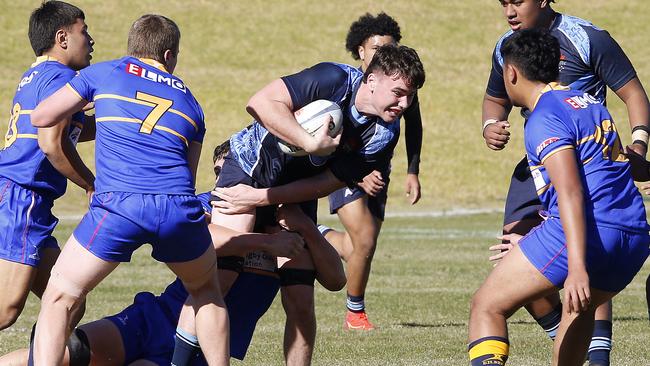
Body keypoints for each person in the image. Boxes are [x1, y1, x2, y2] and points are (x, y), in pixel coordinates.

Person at [28, 14, 229, 365]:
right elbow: (188, 173)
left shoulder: (104, 73)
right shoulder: (192, 103)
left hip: (120, 205)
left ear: (133, 47)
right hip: (176, 206)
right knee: (207, 292)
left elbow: (41, 117)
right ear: (168, 56)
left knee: (59, 297)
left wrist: (90, 104)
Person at [468, 28, 650, 366]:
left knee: (487, 305)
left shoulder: (544, 117)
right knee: (578, 311)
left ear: (511, 73)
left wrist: (576, 268)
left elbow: (570, 191)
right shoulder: (590, 103)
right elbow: (619, 163)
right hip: (635, 235)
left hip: (590, 234)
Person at [315, 12, 424, 331]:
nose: (382, 55)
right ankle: (355, 314)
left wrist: (413, 171)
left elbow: (414, 125)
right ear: (360, 50)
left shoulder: (401, 88)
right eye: (376, 48)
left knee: (360, 247)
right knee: (363, 240)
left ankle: (312, 233)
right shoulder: (346, 88)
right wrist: (357, 175)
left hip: (379, 172)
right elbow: (330, 143)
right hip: (344, 171)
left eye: (389, 48)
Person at [0, 0, 94, 331]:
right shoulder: (60, 77)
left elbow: (69, 130)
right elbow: (51, 143)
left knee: (67, 301)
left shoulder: (37, 74)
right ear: (62, 38)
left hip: (23, 198)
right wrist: (90, 183)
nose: (91, 39)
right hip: (23, 198)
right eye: (85, 31)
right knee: (6, 309)